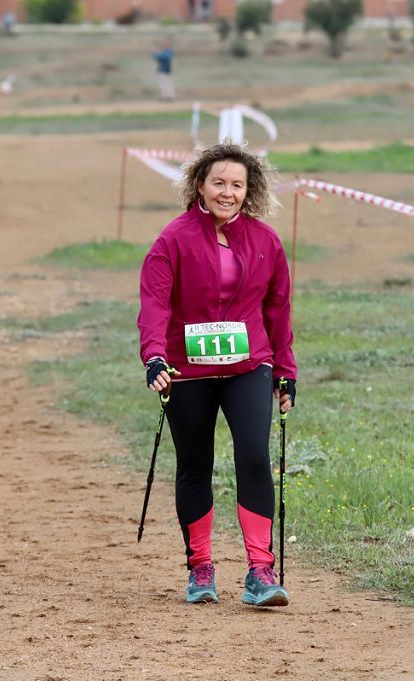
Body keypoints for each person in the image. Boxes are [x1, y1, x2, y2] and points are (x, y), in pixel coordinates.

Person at [138, 143, 296, 607]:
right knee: (194, 465)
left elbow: (278, 310)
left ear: (249, 192)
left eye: (237, 185)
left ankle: (260, 571)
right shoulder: (173, 238)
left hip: (249, 366)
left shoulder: (265, 240)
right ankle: (200, 567)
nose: (227, 192)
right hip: (187, 370)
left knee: (253, 457)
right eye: (219, 183)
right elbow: (154, 303)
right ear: (200, 187)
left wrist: (285, 370)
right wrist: (154, 357)